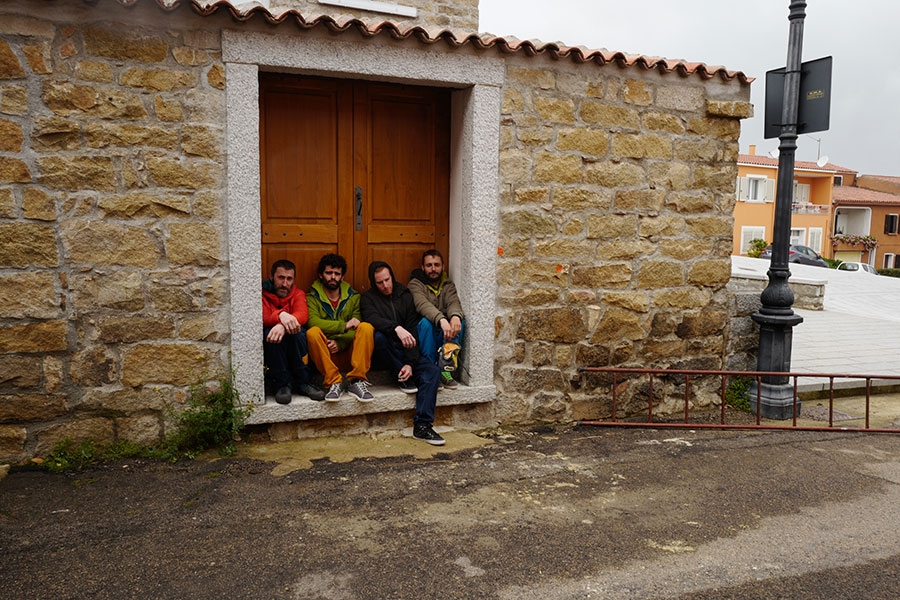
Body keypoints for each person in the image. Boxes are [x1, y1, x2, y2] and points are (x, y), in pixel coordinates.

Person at [361, 260, 444, 446]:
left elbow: (413, 330)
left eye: (387, 280)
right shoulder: (367, 299)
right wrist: (396, 328)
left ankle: (422, 426)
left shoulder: (404, 294)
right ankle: (402, 375)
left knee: (433, 371)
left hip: (406, 353)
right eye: (380, 282)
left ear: (392, 276)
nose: (385, 285)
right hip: (385, 354)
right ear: (374, 283)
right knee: (379, 337)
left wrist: (409, 363)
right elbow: (372, 319)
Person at [306, 253, 375, 402]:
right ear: (321, 275)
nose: (333, 277)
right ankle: (333, 382)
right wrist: (344, 326)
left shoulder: (354, 297)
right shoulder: (312, 296)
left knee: (366, 328)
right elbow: (312, 321)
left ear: (342, 277)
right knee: (312, 332)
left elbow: (358, 327)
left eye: (337, 274)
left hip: (350, 353)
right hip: (325, 354)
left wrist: (341, 342)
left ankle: (356, 381)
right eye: (329, 273)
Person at [262, 259, 326, 404]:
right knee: (271, 334)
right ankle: (282, 385)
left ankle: (303, 382)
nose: (285, 284)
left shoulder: (298, 293)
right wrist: (281, 316)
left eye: (289, 278)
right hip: (274, 344)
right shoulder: (261, 294)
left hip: (293, 339)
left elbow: (302, 315)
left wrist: (283, 325)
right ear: (272, 277)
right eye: (281, 278)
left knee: (297, 332)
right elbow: (264, 317)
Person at [408, 249, 465, 390]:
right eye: (429, 265)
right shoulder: (415, 284)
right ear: (423, 267)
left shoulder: (448, 285)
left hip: (443, 335)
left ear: (443, 267)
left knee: (459, 322)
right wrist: (442, 319)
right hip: (425, 335)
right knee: (426, 323)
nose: (433, 269)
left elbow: (453, 302)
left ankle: (446, 369)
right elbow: (422, 305)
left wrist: (455, 316)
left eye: (437, 265)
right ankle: (431, 369)